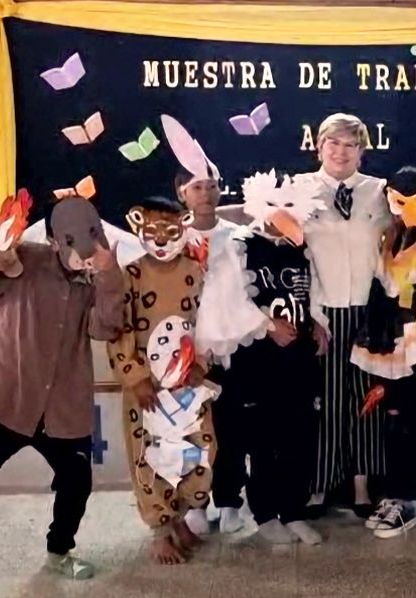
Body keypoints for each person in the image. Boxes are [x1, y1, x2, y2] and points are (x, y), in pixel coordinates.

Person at [0, 195, 124, 579]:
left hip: (65, 408)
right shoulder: (25, 259)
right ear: (51, 239)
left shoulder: (98, 276)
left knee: (77, 484)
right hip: (9, 400)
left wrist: (110, 277)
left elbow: (105, 329)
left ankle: (59, 551)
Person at [196, 169, 326, 545]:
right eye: (272, 203)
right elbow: (226, 300)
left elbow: (313, 290)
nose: (280, 211)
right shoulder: (239, 245)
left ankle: (294, 511)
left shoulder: (300, 245)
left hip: (299, 358)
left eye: (289, 204)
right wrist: (268, 326)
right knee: (263, 440)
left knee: (300, 436)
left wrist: (319, 322)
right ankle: (266, 513)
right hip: (256, 362)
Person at [108, 197, 217, 564]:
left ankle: (180, 516)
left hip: (189, 383)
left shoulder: (196, 271)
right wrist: (135, 377)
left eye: (169, 231)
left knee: (198, 449)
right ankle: (160, 530)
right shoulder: (131, 274)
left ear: (184, 225)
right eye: (152, 230)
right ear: (137, 224)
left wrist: (202, 361)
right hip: (148, 387)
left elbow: (210, 321)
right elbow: (119, 329)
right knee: (150, 454)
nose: (160, 239)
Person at [349, 166, 416, 538]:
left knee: (413, 421)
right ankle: (392, 495)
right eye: (399, 200)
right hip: (387, 344)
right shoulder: (389, 237)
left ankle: (404, 499)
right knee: (393, 420)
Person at [297, 113, 390, 519]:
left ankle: (362, 487)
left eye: (350, 144)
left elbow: (395, 247)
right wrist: (312, 315)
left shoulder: (379, 192)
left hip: (369, 313)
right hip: (324, 313)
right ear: (319, 146)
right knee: (328, 402)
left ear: (362, 151)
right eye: (333, 143)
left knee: (368, 400)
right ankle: (320, 485)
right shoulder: (299, 190)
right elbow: (295, 257)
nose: (341, 151)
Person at [172, 170, 243, 536]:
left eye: (212, 186)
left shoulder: (237, 236)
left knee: (230, 428)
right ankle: (195, 502)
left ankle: (229, 501)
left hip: (230, 351)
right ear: (181, 193)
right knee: (191, 430)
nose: (206, 193)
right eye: (196, 187)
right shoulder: (173, 239)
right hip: (186, 355)